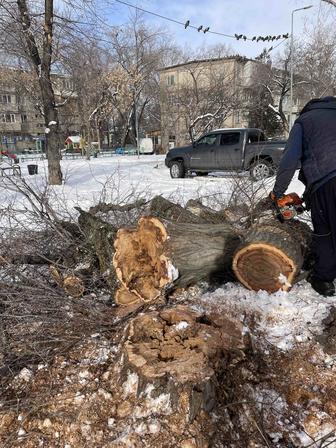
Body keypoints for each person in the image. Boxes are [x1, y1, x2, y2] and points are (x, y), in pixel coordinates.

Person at [272, 96, 336, 297]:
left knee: (325, 231)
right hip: (324, 181)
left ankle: (323, 278)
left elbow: (289, 160)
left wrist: (278, 192)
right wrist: (306, 196)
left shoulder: (304, 122)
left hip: (328, 180)